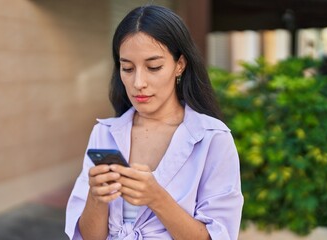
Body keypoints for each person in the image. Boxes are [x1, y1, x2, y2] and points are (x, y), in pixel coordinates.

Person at [65, 5, 243, 240]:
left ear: (179, 64)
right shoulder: (105, 134)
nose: (138, 82)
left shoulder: (212, 138)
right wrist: (96, 198)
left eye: (154, 67)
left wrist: (156, 198)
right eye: (127, 68)